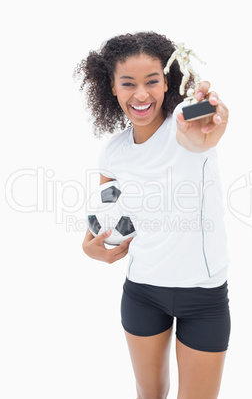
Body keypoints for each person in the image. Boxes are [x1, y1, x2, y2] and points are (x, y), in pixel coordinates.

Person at [75, 31, 230, 399]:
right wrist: (89, 249)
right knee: (149, 396)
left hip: (203, 297)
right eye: (128, 84)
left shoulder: (183, 122)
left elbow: (204, 123)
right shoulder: (113, 154)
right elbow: (100, 220)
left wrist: (210, 110)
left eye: (152, 81)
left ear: (167, 83)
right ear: (112, 87)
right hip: (142, 293)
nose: (141, 94)